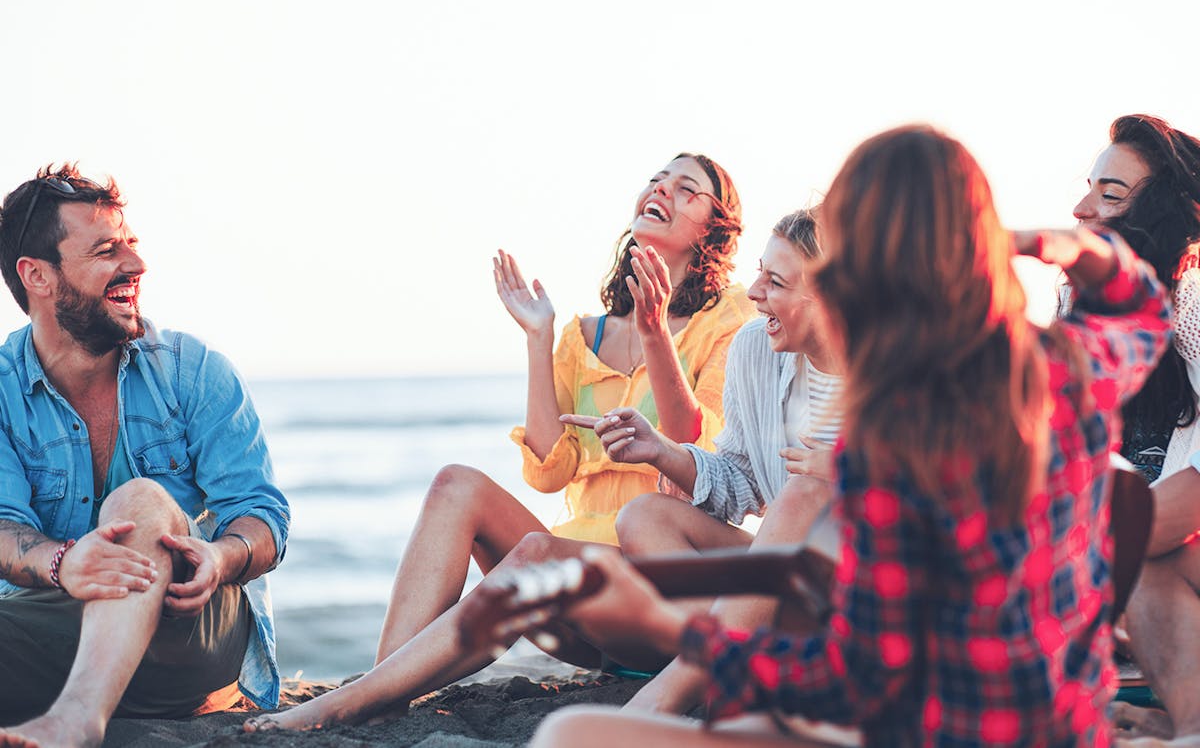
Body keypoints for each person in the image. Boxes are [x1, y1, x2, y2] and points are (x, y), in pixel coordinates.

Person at [526, 125, 1171, 746]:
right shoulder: (1070, 368)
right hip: (1063, 726)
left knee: (571, 733)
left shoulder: (887, 444)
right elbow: (1139, 299)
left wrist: (673, 630)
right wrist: (1039, 243)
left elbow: (861, 676)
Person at [243, 153, 752, 733]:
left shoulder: (729, 321)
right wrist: (538, 339)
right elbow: (547, 470)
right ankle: (382, 684)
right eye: (657, 179)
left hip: (656, 597)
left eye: (687, 189)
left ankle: (347, 702)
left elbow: (696, 440)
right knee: (456, 484)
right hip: (581, 604)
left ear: (714, 230)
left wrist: (657, 330)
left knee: (534, 553)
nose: (662, 189)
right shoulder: (583, 335)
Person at [0, 165, 290, 747]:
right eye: (108, 250)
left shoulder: (193, 370)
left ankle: (80, 717)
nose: (136, 265)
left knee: (139, 503)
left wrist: (221, 556)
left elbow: (262, 514)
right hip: (55, 630)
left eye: (131, 244)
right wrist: (64, 563)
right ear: (38, 276)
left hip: (185, 635)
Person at [562, 208, 844, 710]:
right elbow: (739, 481)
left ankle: (676, 692)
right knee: (645, 517)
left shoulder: (904, 371)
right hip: (792, 588)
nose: (753, 292)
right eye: (759, 271)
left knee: (803, 495)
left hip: (876, 592)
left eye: (774, 282)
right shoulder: (756, 348)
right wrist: (662, 451)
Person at [1087, 118, 1200, 744]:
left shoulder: (1195, 302)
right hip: (1144, 578)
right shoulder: (1085, 313)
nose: (1080, 211)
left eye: (1110, 194)